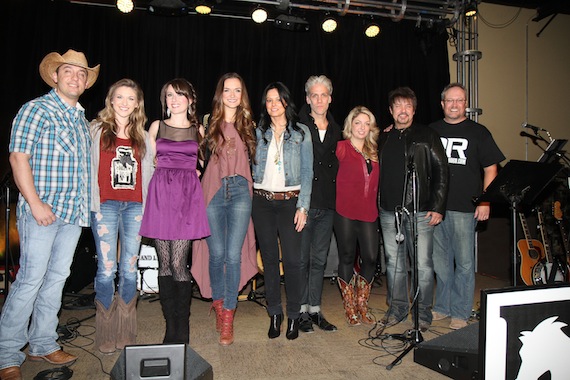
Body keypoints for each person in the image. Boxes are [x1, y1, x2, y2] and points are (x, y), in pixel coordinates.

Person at [0, 49, 99, 380]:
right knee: (29, 279)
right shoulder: (36, 110)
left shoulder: (82, 122)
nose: (75, 77)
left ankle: (43, 343)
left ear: (86, 82)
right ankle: (6, 354)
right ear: (55, 76)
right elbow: (18, 158)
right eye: (68, 71)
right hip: (41, 211)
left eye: (81, 74)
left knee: (56, 279)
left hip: (72, 215)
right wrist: (35, 203)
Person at [139, 78, 210, 344]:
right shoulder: (156, 126)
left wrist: (198, 168)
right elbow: (147, 161)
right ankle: (171, 325)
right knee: (164, 264)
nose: (174, 99)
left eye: (179, 95)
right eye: (169, 95)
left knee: (179, 263)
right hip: (160, 195)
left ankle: (183, 323)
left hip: (186, 197)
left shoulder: (197, 129)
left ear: (190, 100)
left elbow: (203, 161)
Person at [429, 83, 504, 330]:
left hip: (465, 209)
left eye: (459, 100)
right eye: (449, 100)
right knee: (440, 262)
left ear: (465, 104)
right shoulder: (431, 131)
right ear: (442, 104)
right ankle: (442, 306)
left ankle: (460, 311)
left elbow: (491, 169)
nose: (454, 104)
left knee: (464, 263)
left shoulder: (479, 132)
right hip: (437, 208)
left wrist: (485, 200)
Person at [191, 73, 258, 346]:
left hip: (241, 191)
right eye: (227, 90)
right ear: (220, 94)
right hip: (212, 193)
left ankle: (229, 313)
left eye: (237, 90)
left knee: (233, 254)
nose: (232, 95)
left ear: (242, 95)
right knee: (216, 254)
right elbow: (194, 158)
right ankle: (219, 304)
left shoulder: (250, 126)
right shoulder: (207, 123)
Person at [90, 79, 155, 353]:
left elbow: (154, 171)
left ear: (137, 103)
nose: (125, 102)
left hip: (135, 208)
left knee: (129, 269)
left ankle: (126, 330)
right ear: (111, 100)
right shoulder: (95, 130)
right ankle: (105, 331)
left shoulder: (144, 136)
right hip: (104, 206)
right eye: (120, 97)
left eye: (131, 98)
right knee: (106, 270)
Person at [377, 86, 448, 332]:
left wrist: (438, 206)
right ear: (391, 110)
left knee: (423, 266)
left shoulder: (427, 135)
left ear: (414, 110)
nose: (403, 110)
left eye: (407, 106)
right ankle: (396, 308)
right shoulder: (383, 137)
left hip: (419, 211)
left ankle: (422, 312)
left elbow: (442, 171)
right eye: (398, 106)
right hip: (388, 212)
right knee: (393, 264)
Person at [251, 82, 313, 340]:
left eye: (277, 99)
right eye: (268, 100)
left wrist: (303, 206)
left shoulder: (301, 132)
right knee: (269, 261)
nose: (273, 104)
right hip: (262, 202)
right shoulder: (258, 132)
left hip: (290, 202)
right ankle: (275, 314)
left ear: (286, 102)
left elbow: (308, 172)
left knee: (293, 261)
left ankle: (294, 316)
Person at [298, 75, 342, 333]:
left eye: (323, 95)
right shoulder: (298, 126)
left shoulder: (338, 129)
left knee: (319, 260)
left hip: (327, 203)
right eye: (314, 95)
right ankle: (302, 309)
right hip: (304, 203)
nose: (319, 99)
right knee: (302, 260)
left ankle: (315, 310)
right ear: (307, 99)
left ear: (330, 98)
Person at [335, 106, 380, 326]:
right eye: (358, 122)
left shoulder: (374, 151)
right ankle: (350, 307)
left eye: (366, 123)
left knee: (371, 257)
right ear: (350, 125)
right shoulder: (341, 148)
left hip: (369, 212)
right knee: (346, 256)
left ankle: (362, 303)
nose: (362, 127)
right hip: (344, 211)